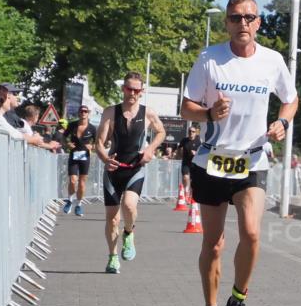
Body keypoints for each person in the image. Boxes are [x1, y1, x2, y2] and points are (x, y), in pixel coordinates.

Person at [180, 0, 298, 306]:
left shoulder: (272, 61)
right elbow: (187, 107)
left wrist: (282, 123)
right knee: (214, 244)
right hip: (213, 160)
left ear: (258, 23)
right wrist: (207, 114)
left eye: (248, 18)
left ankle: (238, 301)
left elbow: (290, 99)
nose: (242, 24)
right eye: (235, 18)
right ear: (227, 23)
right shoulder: (210, 59)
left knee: (251, 233)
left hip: (253, 158)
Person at [95, 72, 166, 274]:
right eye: (129, 89)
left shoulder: (148, 113)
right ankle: (112, 257)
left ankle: (129, 233)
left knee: (129, 205)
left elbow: (161, 132)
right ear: (123, 89)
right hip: (113, 169)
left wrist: (150, 149)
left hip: (135, 167)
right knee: (112, 218)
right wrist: (104, 159)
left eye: (136, 90)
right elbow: (99, 143)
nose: (132, 93)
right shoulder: (110, 112)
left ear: (142, 92)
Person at [62, 106, 97, 217]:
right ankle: (70, 200)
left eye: (85, 111)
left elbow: (98, 143)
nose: (83, 113)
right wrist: (67, 144)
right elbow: (63, 137)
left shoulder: (92, 128)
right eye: (81, 111)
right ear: (78, 113)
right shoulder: (72, 125)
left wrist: (92, 146)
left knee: (82, 184)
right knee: (73, 181)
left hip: (85, 158)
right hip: (73, 156)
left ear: (88, 113)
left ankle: (79, 205)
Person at [177, 124, 201, 200]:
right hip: (186, 162)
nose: (191, 133)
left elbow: (203, 152)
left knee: (193, 180)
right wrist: (179, 155)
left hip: (195, 163)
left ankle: (191, 195)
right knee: (185, 177)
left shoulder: (199, 141)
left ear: (196, 133)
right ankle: (185, 191)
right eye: (190, 131)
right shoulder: (184, 140)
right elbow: (179, 149)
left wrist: (196, 153)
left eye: (193, 131)